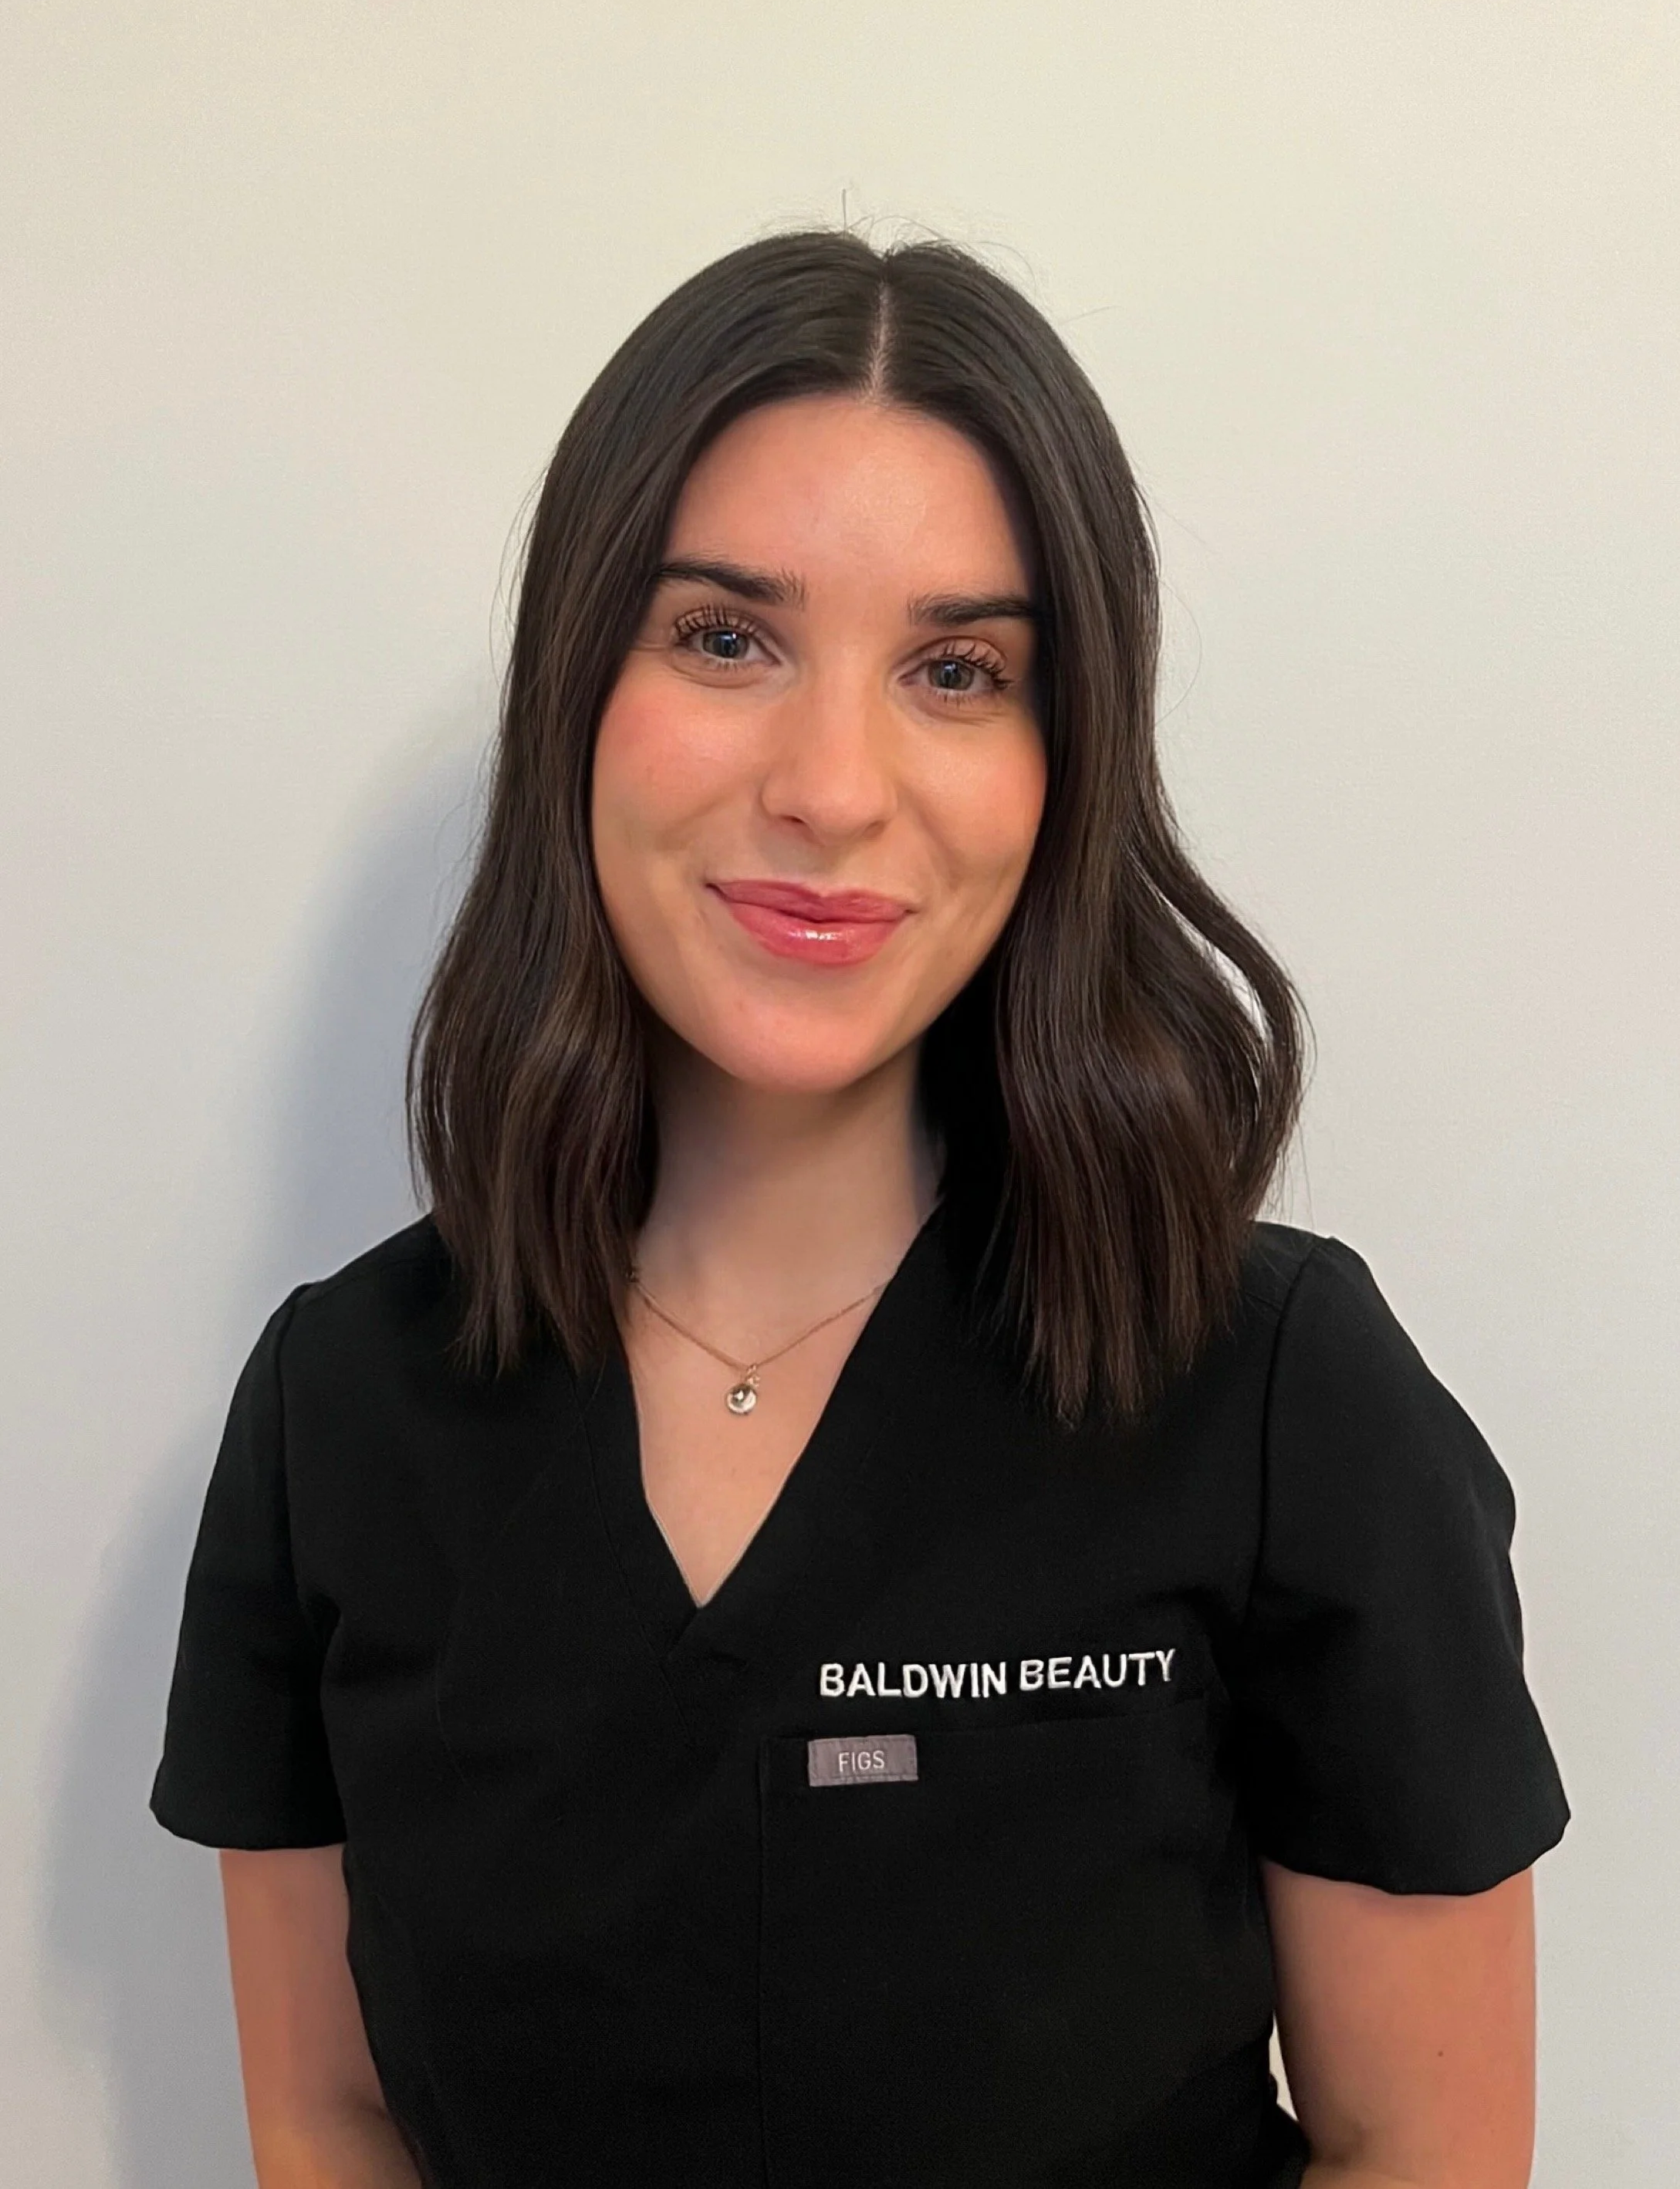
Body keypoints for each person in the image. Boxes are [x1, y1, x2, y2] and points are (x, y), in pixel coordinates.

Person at [148, 228, 1569, 2189]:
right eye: (725, 635)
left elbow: (1417, 2146)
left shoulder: (1274, 1397)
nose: (833, 782)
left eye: (956, 669)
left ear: (1060, 769)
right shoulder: (342, 1409)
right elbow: (330, 2117)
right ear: (580, 683)